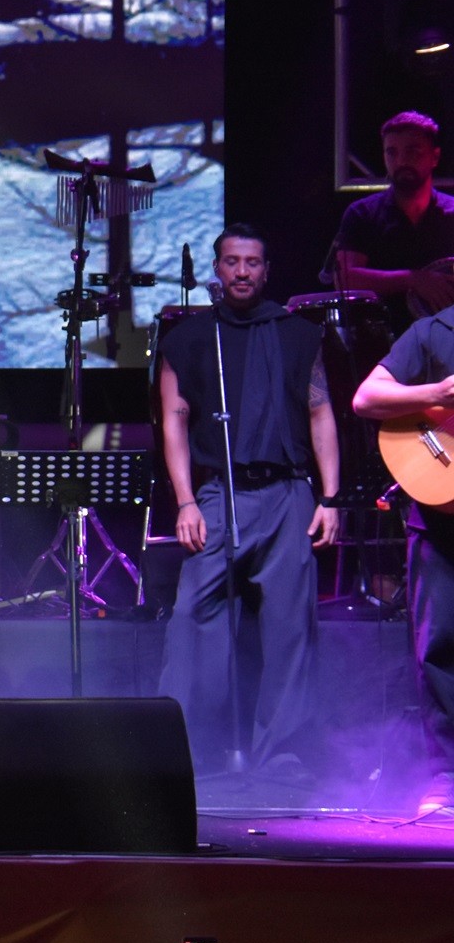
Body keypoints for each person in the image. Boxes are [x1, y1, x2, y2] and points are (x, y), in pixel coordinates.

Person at [156, 224, 340, 783]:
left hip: (287, 492)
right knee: (193, 614)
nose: (242, 271)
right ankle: (185, 748)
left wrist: (330, 497)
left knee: (289, 625)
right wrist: (185, 501)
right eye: (232, 261)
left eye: (252, 262)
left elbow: (320, 413)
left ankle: (281, 751)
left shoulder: (298, 334)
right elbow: (174, 419)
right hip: (219, 492)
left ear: (266, 270)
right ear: (217, 269)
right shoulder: (190, 339)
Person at [350, 293, 454, 813]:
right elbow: (366, 398)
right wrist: (438, 392)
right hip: (440, 520)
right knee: (439, 648)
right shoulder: (437, 331)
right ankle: (447, 777)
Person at [333, 111, 454, 331]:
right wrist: (412, 279)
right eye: (392, 152)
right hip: (381, 340)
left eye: (412, 151)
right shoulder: (362, 213)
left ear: (435, 157)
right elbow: (345, 279)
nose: (401, 161)